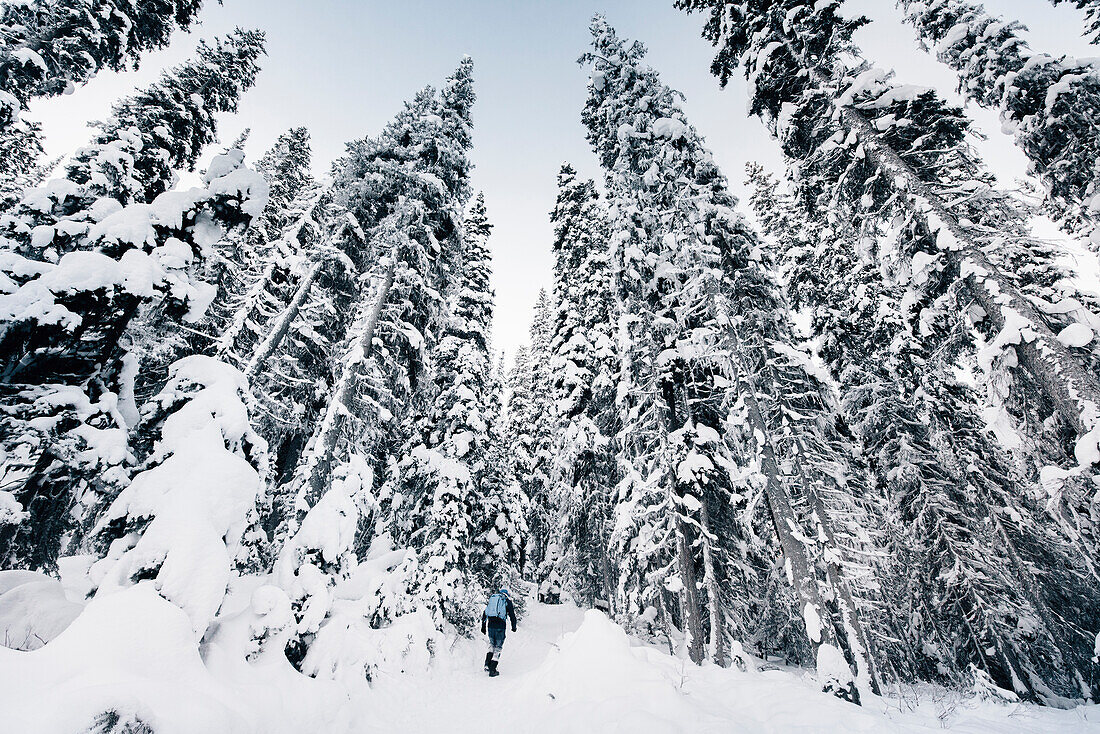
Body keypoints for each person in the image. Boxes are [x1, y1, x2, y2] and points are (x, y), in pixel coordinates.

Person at [481, 588, 517, 677]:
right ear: (506, 594)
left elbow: (485, 613)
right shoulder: (506, 601)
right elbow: (512, 615)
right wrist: (514, 627)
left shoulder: (493, 600)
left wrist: (483, 626)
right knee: (498, 647)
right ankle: (493, 669)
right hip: (500, 627)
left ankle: (487, 664)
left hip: (490, 626)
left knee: (491, 644)